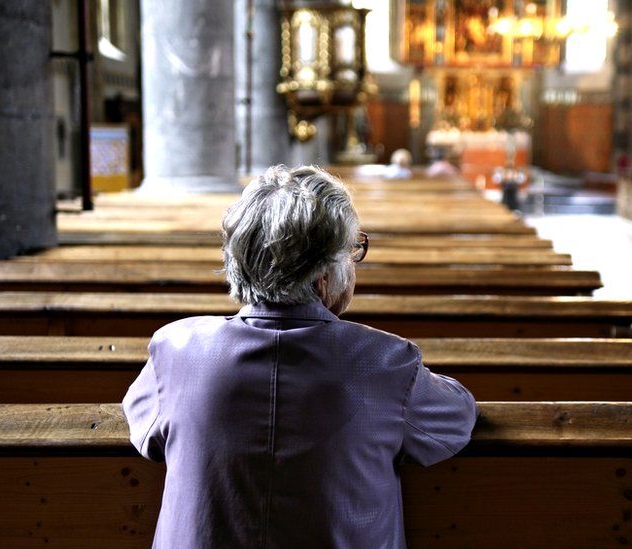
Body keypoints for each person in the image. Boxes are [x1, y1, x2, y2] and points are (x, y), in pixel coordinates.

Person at [123, 165, 477, 548]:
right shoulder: (385, 361)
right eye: (352, 252)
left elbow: (145, 433)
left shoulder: (176, 350)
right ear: (324, 275)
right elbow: (458, 417)